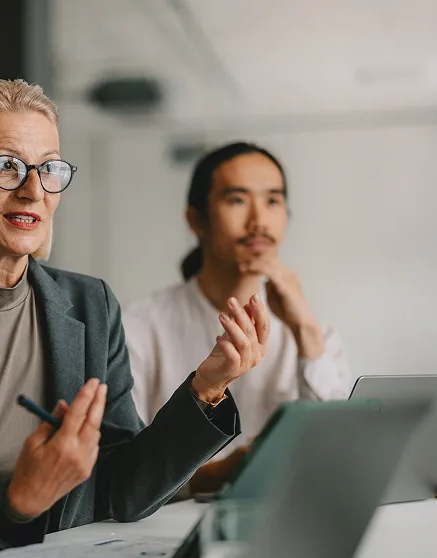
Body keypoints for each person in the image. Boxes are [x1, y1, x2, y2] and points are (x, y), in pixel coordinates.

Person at [0, 78, 271, 558]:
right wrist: (18, 501)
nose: (34, 191)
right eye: (7, 167)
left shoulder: (90, 303)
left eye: (49, 169)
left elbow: (124, 489)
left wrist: (206, 389)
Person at [124, 142, 351, 494]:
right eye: (237, 200)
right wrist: (221, 472)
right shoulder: (137, 326)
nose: (259, 221)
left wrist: (305, 329)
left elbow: (337, 452)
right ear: (196, 219)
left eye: (273, 201)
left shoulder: (315, 334)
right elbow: (125, 471)